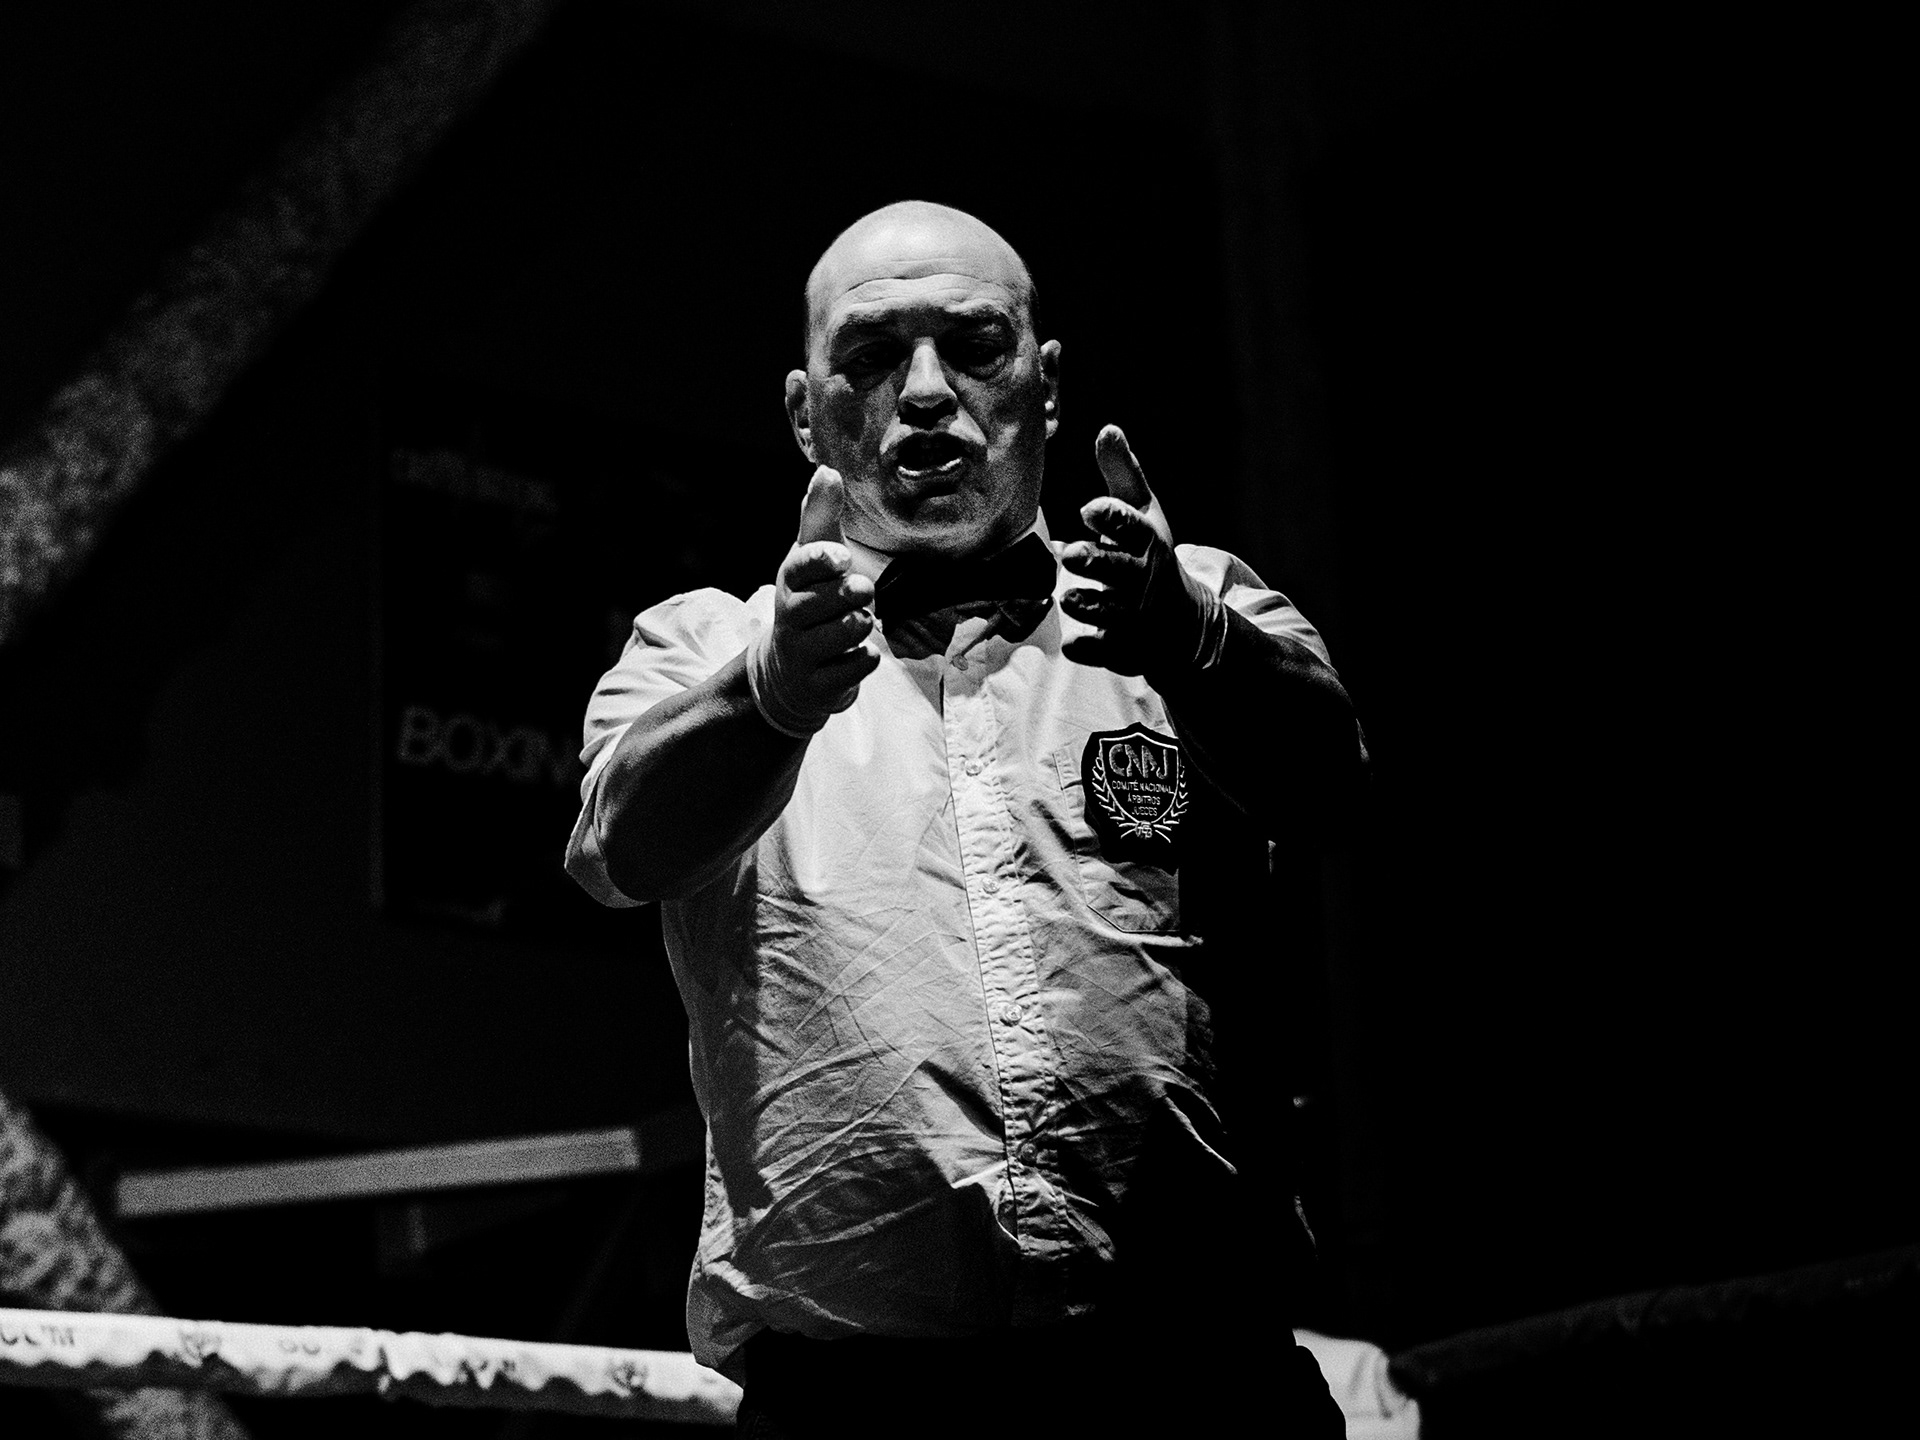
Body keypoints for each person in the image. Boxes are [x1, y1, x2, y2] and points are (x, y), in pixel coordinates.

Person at [566, 200, 1365, 1436]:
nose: (929, 391)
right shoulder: (703, 646)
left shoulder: (1187, 599)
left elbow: (1333, 788)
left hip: (1202, 1382)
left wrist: (1193, 641)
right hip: (858, 1406)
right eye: (874, 355)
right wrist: (768, 697)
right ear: (805, 413)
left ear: (1047, 385)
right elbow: (619, 852)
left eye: (975, 346)